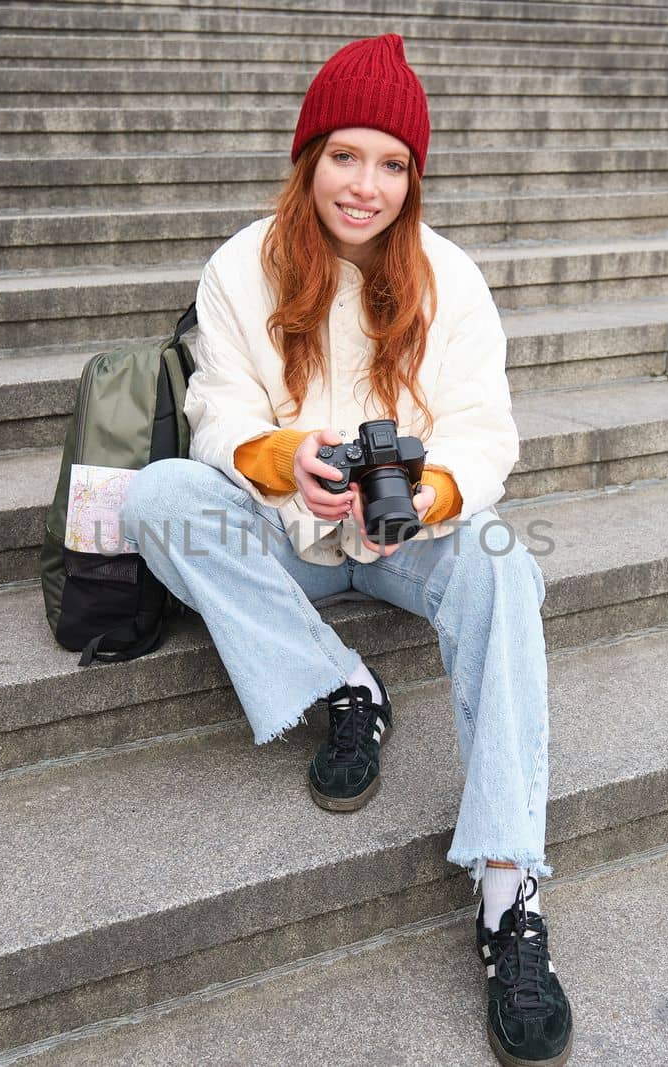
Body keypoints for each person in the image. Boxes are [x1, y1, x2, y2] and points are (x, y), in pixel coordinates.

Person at [120, 34, 573, 1067]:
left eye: (390, 163)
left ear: (413, 177)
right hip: (291, 536)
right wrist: (285, 459)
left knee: (507, 560)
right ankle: (344, 684)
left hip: (412, 541)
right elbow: (215, 411)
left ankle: (508, 889)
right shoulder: (242, 266)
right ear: (307, 156)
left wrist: (432, 490)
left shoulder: (450, 279)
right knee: (159, 498)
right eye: (344, 156)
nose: (364, 185)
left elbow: (484, 431)